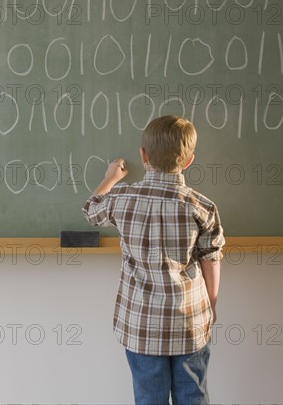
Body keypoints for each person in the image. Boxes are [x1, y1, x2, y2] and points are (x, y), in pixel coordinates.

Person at [82, 114, 225, 405]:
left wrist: (110, 178)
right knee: (193, 394)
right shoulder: (202, 207)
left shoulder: (123, 198)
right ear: (188, 161)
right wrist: (211, 304)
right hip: (190, 320)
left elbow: (91, 209)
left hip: (141, 323)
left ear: (143, 155)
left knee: (149, 397)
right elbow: (212, 258)